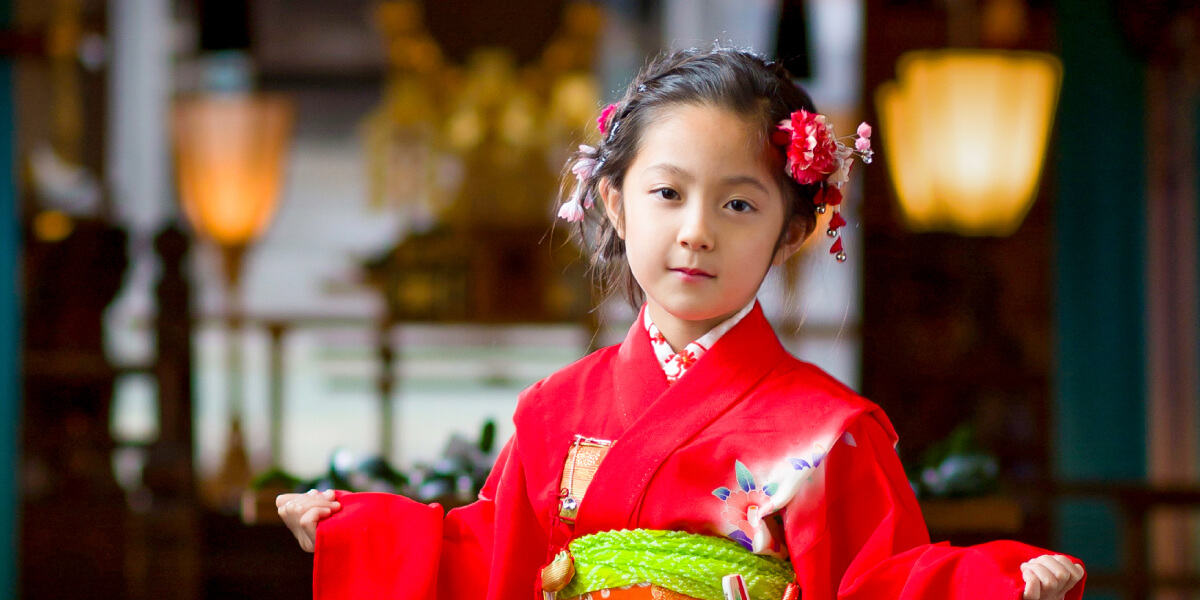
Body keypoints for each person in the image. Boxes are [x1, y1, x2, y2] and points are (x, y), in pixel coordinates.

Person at [276, 46, 1086, 600]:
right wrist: (357, 531)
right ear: (613, 203)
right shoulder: (553, 411)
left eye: (738, 203)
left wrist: (996, 582)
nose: (697, 229)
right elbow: (491, 557)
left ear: (792, 230)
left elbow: (880, 580)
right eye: (668, 193)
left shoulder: (829, 433)